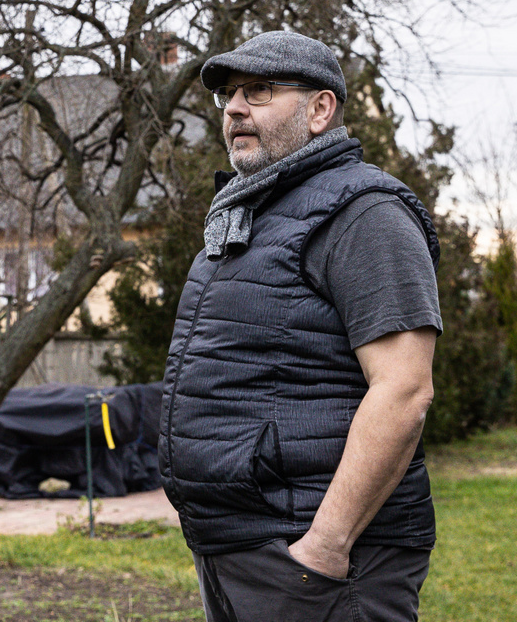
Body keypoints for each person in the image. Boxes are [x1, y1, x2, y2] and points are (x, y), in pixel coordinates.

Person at [160, 30, 442, 622]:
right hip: (245, 544)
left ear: (320, 110)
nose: (234, 107)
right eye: (230, 95)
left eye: (259, 91)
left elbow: (404, 389)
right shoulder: (248, 216)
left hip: (317, 556)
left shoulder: (365, 215)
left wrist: (324, 548)